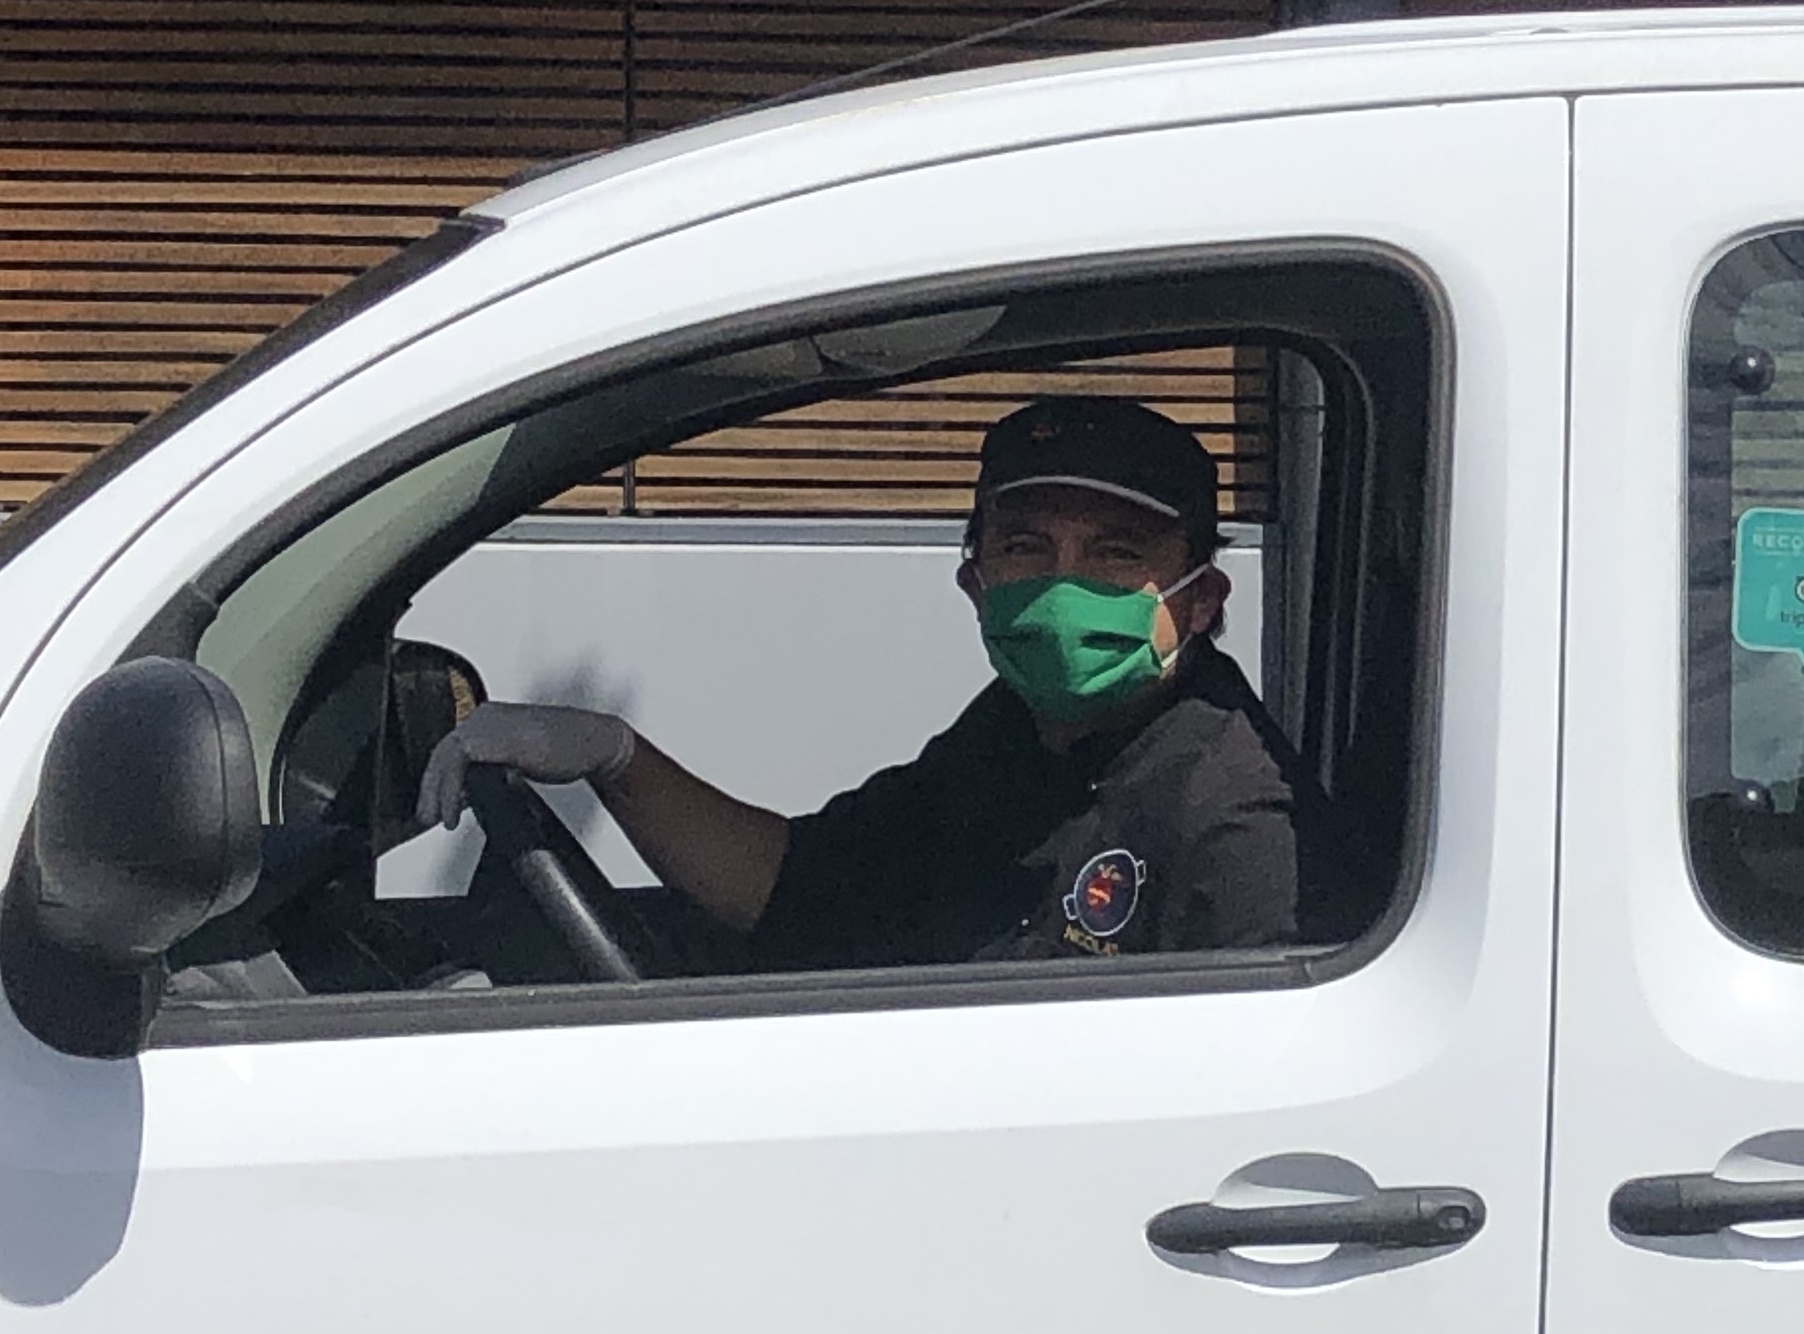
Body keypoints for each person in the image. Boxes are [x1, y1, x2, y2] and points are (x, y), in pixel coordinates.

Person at [420, 396, 1336, 971]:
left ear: (1201, 599)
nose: (1063, 589)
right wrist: (612, 756)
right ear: (974, 581)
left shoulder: (1236, 818)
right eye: (1026, 548)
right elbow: (795, 888)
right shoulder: (1012, 737)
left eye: (1115, 555)